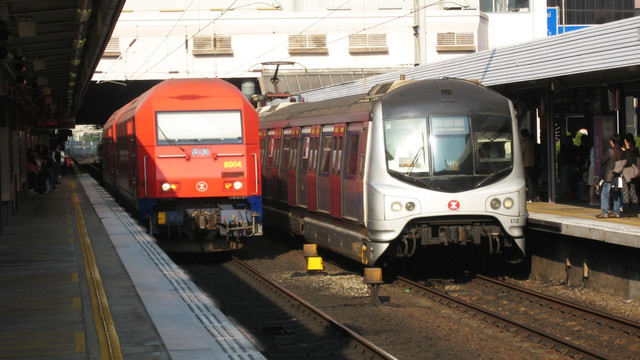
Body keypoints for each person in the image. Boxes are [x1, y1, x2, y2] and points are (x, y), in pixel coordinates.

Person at [596, 134, 623, 218]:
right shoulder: (622, 151)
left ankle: (605, 212)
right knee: (616, 193)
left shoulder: (610, 151)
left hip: (609, 176)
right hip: (618, 175)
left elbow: (602, 160)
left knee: (605, 194)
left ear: (612, 141)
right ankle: (617, 212)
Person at [622, 133, 639, 217]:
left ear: (626, 141)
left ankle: (626, 210)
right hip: (634, 174)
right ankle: (635, 210)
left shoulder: (627, 152)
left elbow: (627, 162)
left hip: (627, 174)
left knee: (626, 191)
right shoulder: (635, 150)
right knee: (633, 192)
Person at [520, 129, 537, 202]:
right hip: (532, 164)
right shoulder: (531, 143)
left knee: (524, 181)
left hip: (525, 165)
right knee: (531, 182)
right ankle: (531, 196)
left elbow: (520, 154)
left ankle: (528, 197)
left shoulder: (523, 144)